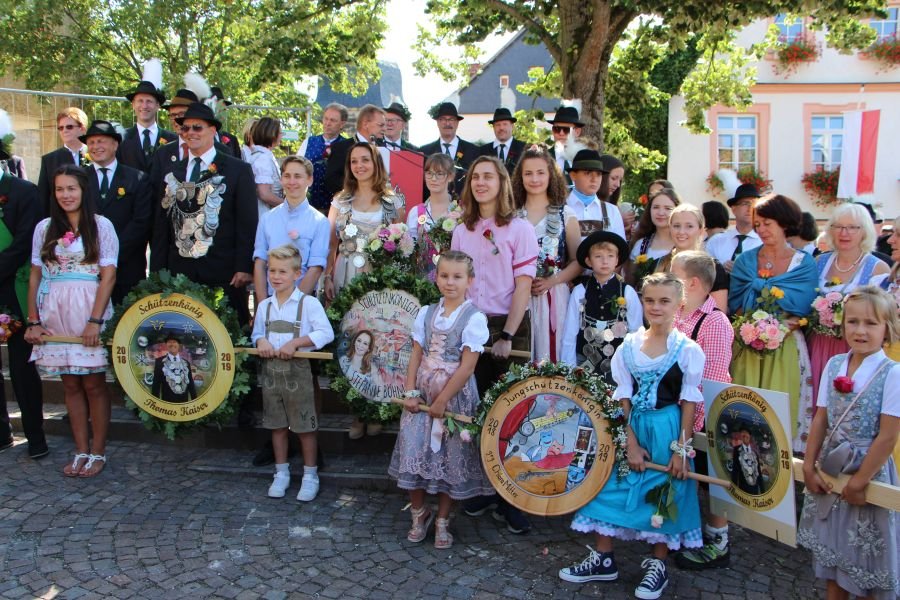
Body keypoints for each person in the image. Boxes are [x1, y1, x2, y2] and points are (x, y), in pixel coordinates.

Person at [558, 272, 705, 600]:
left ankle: (657, 563)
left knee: (664, 494)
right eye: (650, 300)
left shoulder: (687, 350)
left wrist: (680, 450)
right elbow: (622, 397)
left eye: (664, 301)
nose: (656, 307)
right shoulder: (630, 345)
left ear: (679, 304)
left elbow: (689, 402)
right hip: (633, 425)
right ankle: (603, 557)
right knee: (607, 486)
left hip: (667, 429)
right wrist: (630, 443)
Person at [451, 156, 538, 535]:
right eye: (475, 177)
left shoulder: (520, 229)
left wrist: (507, 335)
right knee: (475, 410)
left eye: (488, 176)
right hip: (473, 325)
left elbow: (523, 286)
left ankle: (511, 498)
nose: (480, 182)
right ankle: (485, 489)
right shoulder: (462, 231)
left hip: (508, 326)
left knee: (511, 414)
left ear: (502, 183)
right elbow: (458, 284)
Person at [799, 285, 899, 600]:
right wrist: (810, 466)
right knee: (834, 560)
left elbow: (888, 435)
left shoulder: (892, 373)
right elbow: (820, 418)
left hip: (867, 471)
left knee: (865, 562)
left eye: (871, 323)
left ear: (887, 329)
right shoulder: (834, 364)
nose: (860, 330)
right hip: (832, 467)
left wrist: (859, 481)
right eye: (853, 322)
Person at [389, 250, 494, 549]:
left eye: (457, 277)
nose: (450, 282)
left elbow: (467, 367)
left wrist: (443, 400)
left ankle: (443, 519)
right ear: (436, 278)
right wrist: (411, 391)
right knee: (414, 448)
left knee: (451, 458)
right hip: (423, 393)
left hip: (454, 396)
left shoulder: (474, 318)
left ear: (469, 281)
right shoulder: (426, 312)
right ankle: (419, 513)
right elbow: (416, 355)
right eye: (444, 275)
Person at [25, 165, 118, 477]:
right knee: (69, 382)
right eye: (60, 189)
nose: (65, 195)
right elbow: (35, 274)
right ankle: (80, 449)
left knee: (93, 383)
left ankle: (98, 451)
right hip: (55, 311)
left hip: (88, 308)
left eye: (71, 188)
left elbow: (108, 276)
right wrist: (33, 320)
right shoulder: (44, 228)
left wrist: (95, 320)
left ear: (84, 191)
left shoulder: (101, 226)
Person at [150, 102, 257, 327]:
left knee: (226, 336)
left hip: (224, 273)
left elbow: (247, 223)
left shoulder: (238, 170)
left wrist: (244, 266)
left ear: (212, 130)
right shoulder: (172, 172)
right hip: (180, 273)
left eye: (197, 127)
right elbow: (161, 225)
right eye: (185, 128)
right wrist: (158, 272)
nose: (190, 133)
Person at [323, 142, 404, 439]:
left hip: (379, 281)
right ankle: (356, 411)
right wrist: (328, 277)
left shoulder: (392, 202)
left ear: (376, 163)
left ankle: (377, 408)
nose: (359, 166)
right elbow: (331, 245)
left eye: (365, 160)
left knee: (379, 344)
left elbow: (401, 246)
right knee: (352, 344)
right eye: (354, 161)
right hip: (346, 276)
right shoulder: (340, 201)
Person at [729, 193, 818, 452]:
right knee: (745, 409)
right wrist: (753, 329)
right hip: (747, 345)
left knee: (781, 412)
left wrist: (779, 331)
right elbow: (736, 303)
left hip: (786, 344)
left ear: (784, 222)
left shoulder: (804, 263)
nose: (761, 229)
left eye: (767, 223)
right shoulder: (745, 261)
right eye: (757, 224)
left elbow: (806, 307)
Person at [252, 244, 334, 502]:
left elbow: (326, 333)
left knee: (304, 426)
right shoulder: (265, 306)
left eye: (282, 271)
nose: (276, 276)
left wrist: (297, 343)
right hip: (271, 374)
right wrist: (261, 341)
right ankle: (281, 472)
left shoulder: (308, 304)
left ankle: (310, 475)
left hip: (299, 375)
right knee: (276, 425)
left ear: (297, 274)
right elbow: (257, 333)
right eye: (272, 271)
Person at [670, 251, 735, 571]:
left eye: (673, 275)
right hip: (679, 409)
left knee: (712, 478)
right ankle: (688, 530)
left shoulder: (715, 322)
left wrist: (692, 427)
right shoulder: (677, 313)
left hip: (706, 416)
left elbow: (713, 381)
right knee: (687, 477)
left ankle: (718, 541)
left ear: (692, 283)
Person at [808, 203, 889, 409]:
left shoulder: (877, 268)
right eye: (839, 226)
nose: (844, 233)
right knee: (816, 399)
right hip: (818, 344)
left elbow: (881, 314)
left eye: (852, 227)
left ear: (865, 231)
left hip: (855, 346)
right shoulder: (819, 262)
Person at [511, 146, 582, 361]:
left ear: (551, 175)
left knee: (552, 357)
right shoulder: (510, 215)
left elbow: (578, 261)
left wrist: (552, 281)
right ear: (520, 177)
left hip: (554, 297)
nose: (535, 179)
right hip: (515, 295)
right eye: (528, 173)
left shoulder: (565, 215)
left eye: (540, 172)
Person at [0, 155, 47, 459]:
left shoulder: (23, 191)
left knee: (22, 367)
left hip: (15, 289)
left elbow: (25, 242)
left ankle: (35, 437)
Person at [81, 120, 153, 305]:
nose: (96, 146)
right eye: (91, 142)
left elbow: (141, 222)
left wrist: (111, 254)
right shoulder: (78, 179)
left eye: (101, 141)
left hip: (127, 268)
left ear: (115, 144)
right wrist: (92, 254)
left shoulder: (137, 178)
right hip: (87, 268)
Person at [560, 231, 642, 383]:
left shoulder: (627, 292)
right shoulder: (580, 291)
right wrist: (569, 370)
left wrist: (633, 371)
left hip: (619, 366)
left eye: (610, 256)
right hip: (584, 364)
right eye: (598, 256)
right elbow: (570, 333)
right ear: (589, 261)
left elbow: (636, 332)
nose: (605, 261)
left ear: (617, 260)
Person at [253, 157, 329, 299]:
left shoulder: (319, 222)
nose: (292, 182)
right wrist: (264, 304)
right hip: (269, 298)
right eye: (287, 176)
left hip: (302, 300)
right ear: (281, 179)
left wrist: (292, 305)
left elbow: (316, 267)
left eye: (298, 176)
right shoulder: (267, 219)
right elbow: (260, 262)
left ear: (310, 180)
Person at [656, 203, 729, 311]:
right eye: (676, 226)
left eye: (689, 226)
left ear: (701, 230)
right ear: (670, 228)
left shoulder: (714, 268)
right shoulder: (659, 264)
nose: (681, 232)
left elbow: (719, 312)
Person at [406, 153, 457, 281]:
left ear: (450, 176)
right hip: (422, 282)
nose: (433, 179)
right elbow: (409, 251)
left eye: (439, 174)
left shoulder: (460, 212)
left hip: (452, 280)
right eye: (429, 173)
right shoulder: (416, 212)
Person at [117, 71, 178, 173]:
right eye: (140, 101)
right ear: (133, 104)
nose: (144, 106)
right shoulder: (121, 139)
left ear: (157, 105)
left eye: (149, 101)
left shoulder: (173, 139)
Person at [323, 104, 386, 202]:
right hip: (351, 204)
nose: (384, 129)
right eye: (381, 125)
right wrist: (359, 190)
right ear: (365, 124)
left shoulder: (383, 148)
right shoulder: (341, 148)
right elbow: (331, 180)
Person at [565, 149, 626, 241]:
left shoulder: (612, 211)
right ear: (573, 175)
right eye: (588, 173)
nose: (594, 179)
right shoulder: (558, 209)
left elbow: (620, 247)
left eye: (598, 174)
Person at [419, 102, 479, 195]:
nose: (447, 123)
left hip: (464, 202)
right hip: (434, 202)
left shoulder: (473, 150)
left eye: (451, 119)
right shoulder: (425, 151)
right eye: (443, 119)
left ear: (457, 123)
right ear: (437, 122)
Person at [298, 103, 348, 212]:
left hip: (337, 209)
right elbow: (297, 169)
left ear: (342, 124)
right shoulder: (309, 142)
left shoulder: (347, 146)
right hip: (309, 207)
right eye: (326, 119)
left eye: (333, 120)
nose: (328, 123)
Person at [37, 108, 88, 211]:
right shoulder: (49, 160)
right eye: (61, 128)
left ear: (82, 128)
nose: (64, 130)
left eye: (69, 127)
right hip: (61, 215)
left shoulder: (95, 155)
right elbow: (43, 197)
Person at [705, 183, 762, 274]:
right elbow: (705, 274)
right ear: (734, 209)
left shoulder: (765, 242)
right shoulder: (716, 241)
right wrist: (720, 271)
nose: (750, 208)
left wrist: (745, 273)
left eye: (754, 204)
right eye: (745, 203)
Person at [630, 188, 679, 270]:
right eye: (656, 207)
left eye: (668, 208)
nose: (661, 213)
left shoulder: (684, 244)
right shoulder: (641, 245)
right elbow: (631, 276)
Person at [248, 117, 284, 217]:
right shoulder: (262, 158)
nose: (281, 136)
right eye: (280, 133)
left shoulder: (262, 154)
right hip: (264, 212)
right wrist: (288, 205)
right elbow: (264, 194)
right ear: (272, 134)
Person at [151, 335, 196, 402]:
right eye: (169, 342)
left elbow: (191, 384)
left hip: (184, 404)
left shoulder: (186, 363)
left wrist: (195, 401)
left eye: (174, 342)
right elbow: (156, 385)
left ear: (179, 345)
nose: (172, 344)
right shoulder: (159, 362)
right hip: (167, 404)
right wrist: (155, 403)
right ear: (166, 345)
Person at [478, 108, 525, 173]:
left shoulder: (523, 149)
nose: (501, 128)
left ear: (512, 126)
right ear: (493, 127)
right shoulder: (482, 151)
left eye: (505, 124)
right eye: (498, 125)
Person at [546, 104, 584, 176]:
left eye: (566, 130)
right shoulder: (543, 158)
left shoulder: (585, 160)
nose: (561, 133)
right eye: (557, 129)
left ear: (577, 132)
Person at [209, 86, 241, 157]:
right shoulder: (199, 137)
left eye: (224, 110)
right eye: (220, 110)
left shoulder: (232, 140)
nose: (223, 115)